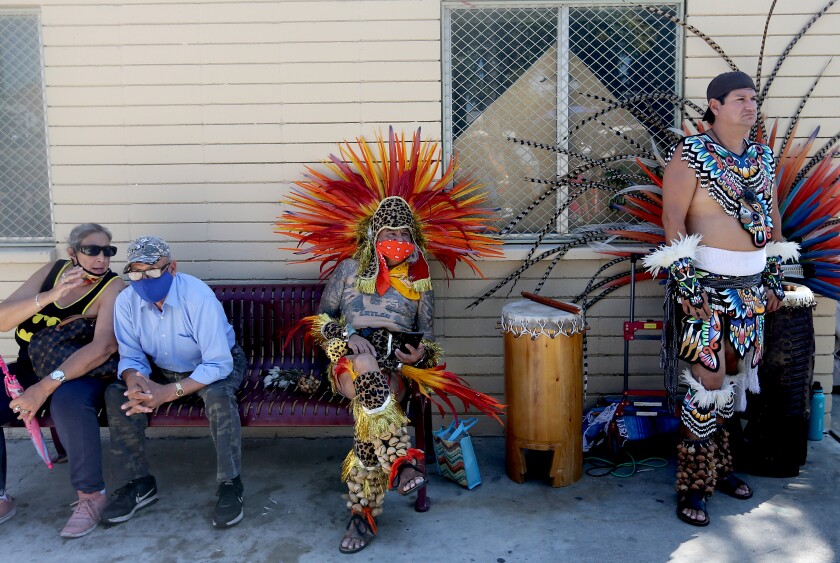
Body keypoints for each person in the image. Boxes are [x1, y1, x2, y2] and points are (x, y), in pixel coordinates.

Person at [276, 130, 502, 554]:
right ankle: (399, 464)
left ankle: (364, 512)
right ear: (373, 238)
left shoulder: (420, 282)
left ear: (413, 240)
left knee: (370, 411)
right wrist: (347, 338)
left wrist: (419, 353)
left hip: (397, 364)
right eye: (388, 235)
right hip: (348, 356)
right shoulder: (347, 271)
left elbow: (430, 341)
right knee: (364, 372)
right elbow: (318, 321)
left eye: (403, 236)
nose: (395, 244)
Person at [643, 71, 800, 526]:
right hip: (705, 291)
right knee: (707, 379)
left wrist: (774, 274)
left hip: (750, 292)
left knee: (732, 374)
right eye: (739, 99)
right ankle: (694, 482)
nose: (750, 106)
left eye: (753, 99)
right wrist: (686, 284)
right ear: (715, 105)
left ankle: (722, 467)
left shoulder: (763, 158)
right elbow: (671, 218)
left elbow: (771, 219)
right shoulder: (690, 154)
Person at [100, 236, 247, 529]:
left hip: (213, 364)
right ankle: (138, 482)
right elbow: (130, 356)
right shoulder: (126, 302)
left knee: (219, 397)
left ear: (172, 268)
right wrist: (135, 381)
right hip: (162, 368)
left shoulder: (197, 297)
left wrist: (168, 392)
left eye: (152, 271)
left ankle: (230, 483)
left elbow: (218, 363)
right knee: (119, 395)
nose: (144, 279)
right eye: (136, 272)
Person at [0, 223, 124, 537]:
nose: (101, 258)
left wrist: (44, 387)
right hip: (32, 365)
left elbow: (104, 347)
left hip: (80, 372)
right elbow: (3, 318)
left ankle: (91, 496)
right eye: (91, 250)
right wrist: (51, 296)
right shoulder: (52, 273)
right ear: (72, 253)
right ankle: (1, 498)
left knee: (69, 402)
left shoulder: (112, 287)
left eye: (107, 251)